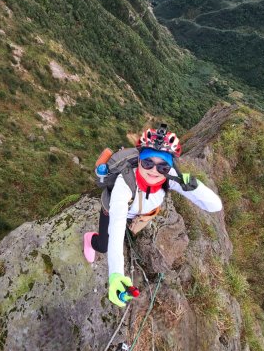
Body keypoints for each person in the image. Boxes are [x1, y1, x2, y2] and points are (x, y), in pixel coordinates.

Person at [83, 126, 223, 307]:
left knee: (129, 228)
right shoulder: (124, 183)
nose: (154, 171)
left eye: (163, 165)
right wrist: (116, 274)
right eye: (148, 162)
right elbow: (116, 226)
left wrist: (196, 187)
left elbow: (214, 206)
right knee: (104, 245)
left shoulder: (171, 177)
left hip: (138, 213)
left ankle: (127, 224)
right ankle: (90, 239)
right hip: (113, 211)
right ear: (139, 160)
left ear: (170, 167)